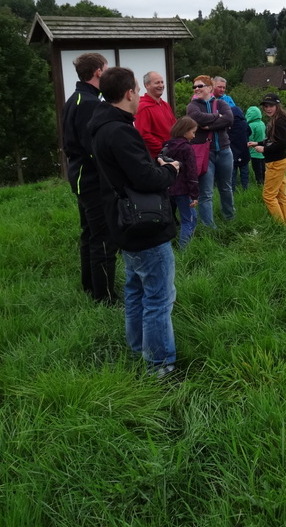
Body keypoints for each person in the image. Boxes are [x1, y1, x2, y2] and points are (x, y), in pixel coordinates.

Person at [88, 67, 180, 379]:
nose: (139, 96)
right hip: (143, 225)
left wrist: (152, 164)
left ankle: (138, 347)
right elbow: (144, 178)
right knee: (159, 298)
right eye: (138, 91)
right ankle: (160, 366)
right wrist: (169, 170)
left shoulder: (102, 126)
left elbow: (128, 170)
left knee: (136, 290)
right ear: (129, 93)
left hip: (123, 221)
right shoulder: (120, 131)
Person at [61, 52, 118, 304]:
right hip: (93, 180)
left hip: (80, 177)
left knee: (89, 234)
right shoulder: (89, 103)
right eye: (107, 69)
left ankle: (89, 286)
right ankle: (104, 296)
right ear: (98, 72)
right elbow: (94, 148)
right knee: (103, 238)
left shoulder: (75, 98)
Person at [185, 75, 235, 227]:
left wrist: (209, 126)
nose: (196, 89)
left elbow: (229, 118)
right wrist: (217, 116)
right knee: (206, 192)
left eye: (200, 86)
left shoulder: (221, 103)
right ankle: (209, 226)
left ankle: (230, 218)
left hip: (224, 151)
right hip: (205, 154)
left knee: (226, 187)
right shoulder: (192, 106)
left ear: (210, 88)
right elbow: (196, 118)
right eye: (194, 87)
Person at [248, 92, 286, 225]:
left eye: (271, 106)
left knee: (268, 196)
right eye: (265, 106)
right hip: (280, 160)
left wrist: (264, 149)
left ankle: (280, 226)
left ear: (277, 105)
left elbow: (281, 144)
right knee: (281, 195)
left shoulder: (279, 121)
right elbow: (272, 140)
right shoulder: (278, 118)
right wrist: (257, 143)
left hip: (276, 163)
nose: (268, 109)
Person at [162, 116, 199, 250]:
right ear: (185, 131)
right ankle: (185, 250)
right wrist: (194, 194)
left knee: (175, 218)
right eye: (193, 132)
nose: (194, 136)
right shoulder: (186, 148)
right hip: (183, 189)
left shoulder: (166, 145)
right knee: (188, 220)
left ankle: (169, 244)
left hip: (168, 187)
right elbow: (191, 171)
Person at [134, 70, 176, 157]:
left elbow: (175, 127)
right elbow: (144, 135)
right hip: (157, 157)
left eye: (162, 82)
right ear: (147, 85)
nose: (161, 85)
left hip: (171, 153)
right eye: (157, 83)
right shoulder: (143, 107)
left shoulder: (165, 105)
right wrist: (163, 149)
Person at [228, 104, 251, 191]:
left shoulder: (228, 125)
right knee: (244, 173)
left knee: (232, 174)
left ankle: (232, 191)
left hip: (232, 152)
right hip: (244, 151)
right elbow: (250, 132)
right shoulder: (244, 124)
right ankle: (245, 189)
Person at [245, 105, 267, 185]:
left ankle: (260, 186)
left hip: (254, 152)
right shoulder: (262, 123)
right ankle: (265, 185)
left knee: (258, 173)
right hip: (263, 151)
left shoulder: (251, 125)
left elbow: (250, 139)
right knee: (263, 171)